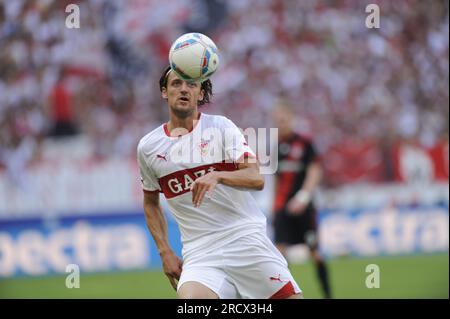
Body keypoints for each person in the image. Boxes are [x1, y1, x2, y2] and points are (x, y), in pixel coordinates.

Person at [137, 66, 303, 299]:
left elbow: (256, 177)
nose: (184, 89)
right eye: (176, 84)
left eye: (192, 84)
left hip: (245, 240)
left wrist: (218, 175)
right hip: (201, 253)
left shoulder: (221, 127)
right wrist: (164, 251)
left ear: (201, 94)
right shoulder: (148, 147)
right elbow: (151, 202)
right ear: (164, 92)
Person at [272, 100, 332, 299]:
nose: (281, 123)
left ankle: (327, 295)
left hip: (304, 209)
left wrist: (303, 197)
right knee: (278, 257)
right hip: (282, 210)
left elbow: (315, 171)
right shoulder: (275, 147)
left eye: (284, 119)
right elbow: (275, 180)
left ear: (291, 119)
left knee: (315, 254)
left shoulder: (305, 143)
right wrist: (274, 208)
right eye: (277, 120)